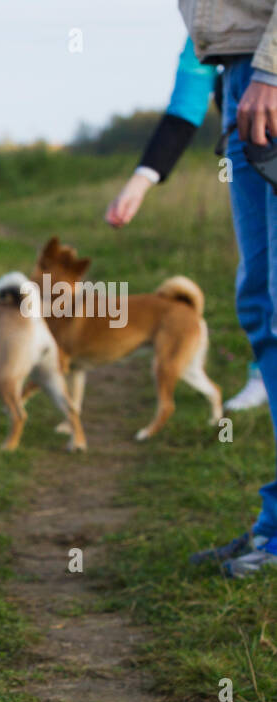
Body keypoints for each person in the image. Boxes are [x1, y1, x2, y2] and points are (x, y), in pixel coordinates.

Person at [105, 37, 270, 413]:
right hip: (247, 139)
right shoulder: (207, 19)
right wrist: (142, 179)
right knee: (259, 285)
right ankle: (265, 372)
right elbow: (188, 97)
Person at [178, 0, 277, 576]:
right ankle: (275, 523)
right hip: (240, 73)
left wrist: (270, 70)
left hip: (265, 74)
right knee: (263, 307)